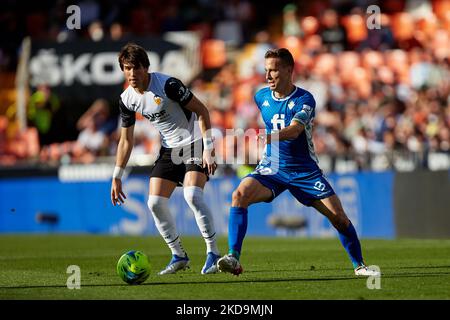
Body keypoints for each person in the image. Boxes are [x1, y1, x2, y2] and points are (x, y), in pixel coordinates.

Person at [217, 48, 380, 277]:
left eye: (273, 70)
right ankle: (233, 256)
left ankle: (359, 265)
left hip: (304, 171)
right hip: (272, 166)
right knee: (239, 194)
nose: (268, 76)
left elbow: (295, 131)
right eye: (266, 70)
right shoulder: (261, 96)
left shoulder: (305, 99)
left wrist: (269, 136)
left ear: (288, 70)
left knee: (339, 218)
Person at [111, 43, 221, 275]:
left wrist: (208, 149)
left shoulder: (168, 85)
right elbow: (125, 141)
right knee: (154, 203)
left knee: (193, 196)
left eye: (135, 68)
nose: (131, 73)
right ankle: (179, 255)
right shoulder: (127, 99)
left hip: (194, 143)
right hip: (169, 150)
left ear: (146, 68)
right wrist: (117, 176)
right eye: (127, 68)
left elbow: (202, 111)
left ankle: (213, 254)